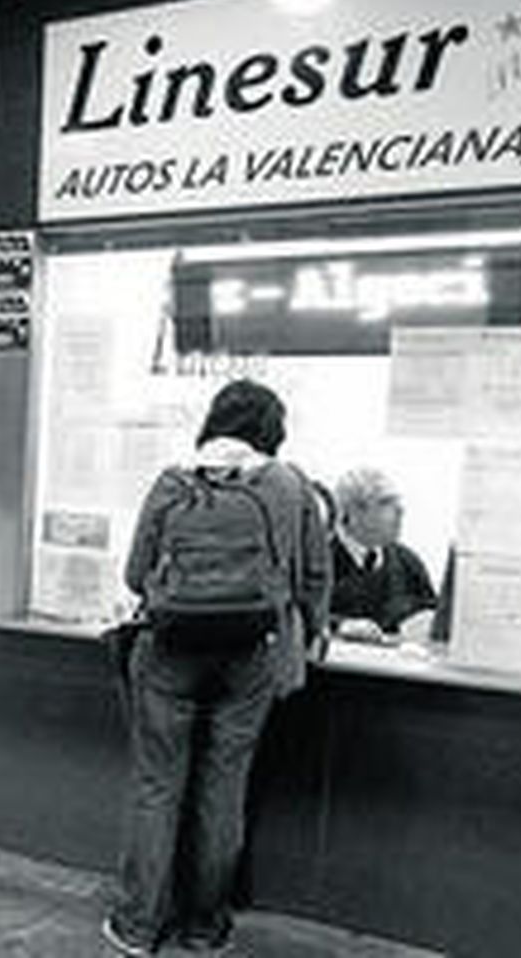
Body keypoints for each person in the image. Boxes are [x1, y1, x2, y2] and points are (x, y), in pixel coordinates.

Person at [103, 379, 331, 956]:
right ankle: (205, 927)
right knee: (223, 788)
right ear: (272, 430)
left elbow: (135, 574)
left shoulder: (174, 480)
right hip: (250, 654)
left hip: (170, 651)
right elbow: (313, 577)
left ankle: (137, 927)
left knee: (157, 787)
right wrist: (311, 630)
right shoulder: (289, 485)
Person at [328, 467, 437, 642]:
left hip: (395, 667)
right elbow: (298, 616)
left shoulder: (408, 562)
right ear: (353, 513)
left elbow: (435, 615)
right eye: (386, 503)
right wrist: (340, 625)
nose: (400, 511)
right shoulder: (319, 560)